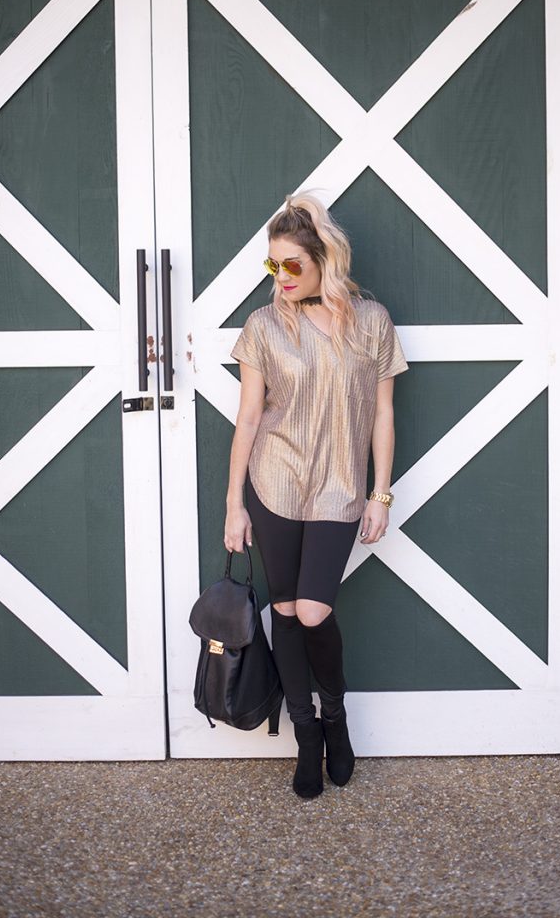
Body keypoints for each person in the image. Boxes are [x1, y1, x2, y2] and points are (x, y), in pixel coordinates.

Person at [224, 191, 409, 799]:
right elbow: (248, 420)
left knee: (312, 611)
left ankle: (336, 720)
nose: (280, 278)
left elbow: (383, 413)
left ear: (323, 261)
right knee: (282, 612)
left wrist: (380, 493)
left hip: (338, 490)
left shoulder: (372, 322)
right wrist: (234, 504)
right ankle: (305, 736)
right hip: (274, 485)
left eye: (291, 266)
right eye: (271, 266)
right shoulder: (263, 326)